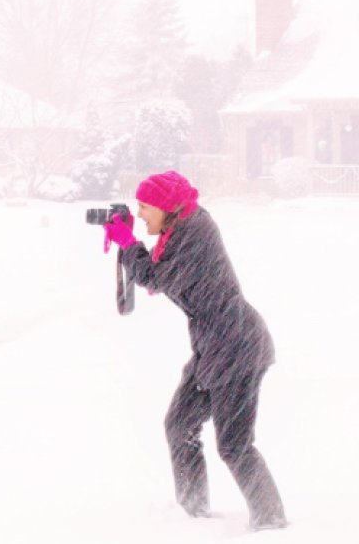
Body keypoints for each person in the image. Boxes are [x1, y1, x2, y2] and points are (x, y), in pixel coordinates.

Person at [101, 170, 288, 531]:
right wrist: (129, 245)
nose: (140, 214)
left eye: (144, 207)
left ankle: (272, 522)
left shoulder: (195, 233)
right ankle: (193, 515)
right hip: (213, 349)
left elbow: (155, 277)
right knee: (179, 424)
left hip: (237, 348)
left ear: (166, 207)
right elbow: (158, 273)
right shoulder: (180, 229)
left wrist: (127, 243)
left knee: (234, 445)